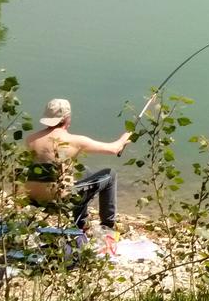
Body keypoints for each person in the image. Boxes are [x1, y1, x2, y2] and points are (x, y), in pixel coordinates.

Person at [23, 97, 131, 232]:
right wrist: (125, 138)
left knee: (84, 171)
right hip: (60, 202)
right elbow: (113, 149)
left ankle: (82, 221)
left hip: (34, 199)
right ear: (67, 118)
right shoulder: (74, 141)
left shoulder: (31, 139)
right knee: (110, 174)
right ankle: (108, 224)